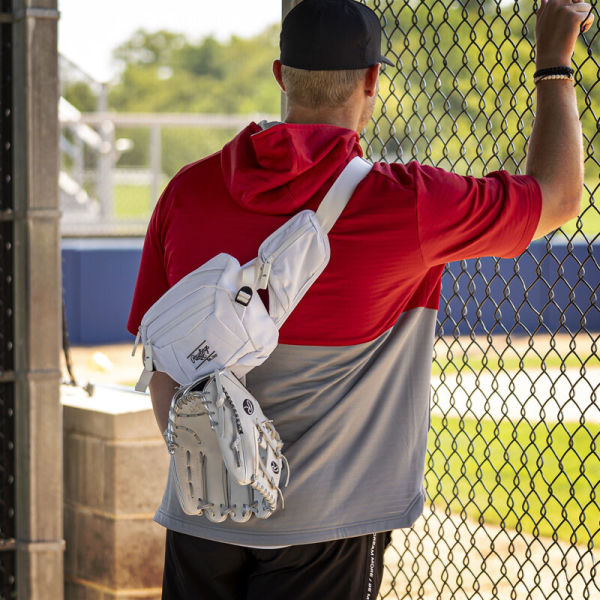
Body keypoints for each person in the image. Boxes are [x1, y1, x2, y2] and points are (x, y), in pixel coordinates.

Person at [127, 0, 593, 598]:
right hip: (331, 522)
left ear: (280, 75)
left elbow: (157, 358)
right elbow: (557, 197)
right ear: (373, 80)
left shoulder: (186, 192)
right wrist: (553, 64)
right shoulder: (408, 201)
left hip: (203, 510)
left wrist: (212, 455)